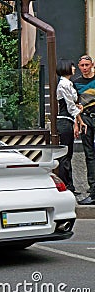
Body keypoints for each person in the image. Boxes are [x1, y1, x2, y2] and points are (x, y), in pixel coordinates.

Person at [56, 59, 84, 197]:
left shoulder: (67, 83)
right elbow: (70, 106)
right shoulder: (63, 84)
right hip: (64, 121)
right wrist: (79, 119)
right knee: (65, 155)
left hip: (68, 120)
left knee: (68, 155)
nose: (74, 68)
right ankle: (65, 185)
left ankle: (69, 184)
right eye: (72, 66)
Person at [72, 55, 95, 205]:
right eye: (82, 65)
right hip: (86, 119)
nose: (85, 68)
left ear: (92, 64)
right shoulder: (77, 83)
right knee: (89, 155)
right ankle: (93, 190)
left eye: (87, 64)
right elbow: (75, 105)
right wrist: (76, 123)